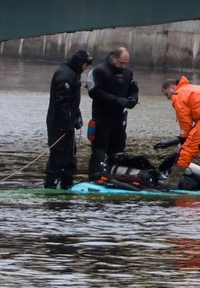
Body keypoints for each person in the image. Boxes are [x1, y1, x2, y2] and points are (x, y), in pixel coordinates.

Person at [86, 46, 139, 178]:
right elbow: (94, 92)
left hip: (119, 117)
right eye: (121, 62)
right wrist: (116, 99)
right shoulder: (100, 71)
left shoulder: (128, 73)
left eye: (125, 63)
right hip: (102, 116)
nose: (123, 66)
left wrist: (132, 99)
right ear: (114, 57)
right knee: (100, 148)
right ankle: (94, 175)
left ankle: (114, 175)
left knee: (118, 148)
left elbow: (133, 89)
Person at [45, 49, 93, 189]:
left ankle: (67, 184)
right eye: (86, 65)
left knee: (70, 156)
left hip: (68, 122)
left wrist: (77, 115)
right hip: (59, 124)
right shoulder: (64, 75)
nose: (86, 69)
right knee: (58, 156)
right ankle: (50, 185)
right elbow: (62, 104)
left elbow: (72, 102)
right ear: (80, 63)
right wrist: (67, 124)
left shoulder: (73, 73)